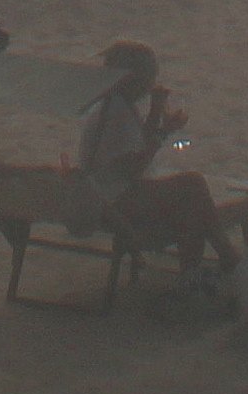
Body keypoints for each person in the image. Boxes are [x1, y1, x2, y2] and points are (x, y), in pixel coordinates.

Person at [69, 40, 229, 272]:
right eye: (150, 77)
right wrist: (162, 132)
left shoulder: (114, 106)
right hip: (113, 201)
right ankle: (223, 257)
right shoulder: (115, 114)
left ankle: (212, 263)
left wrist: (157, 117)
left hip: (107, 193)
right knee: (193, 186)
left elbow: (136, 148)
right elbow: (134, 168)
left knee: (192, 205)